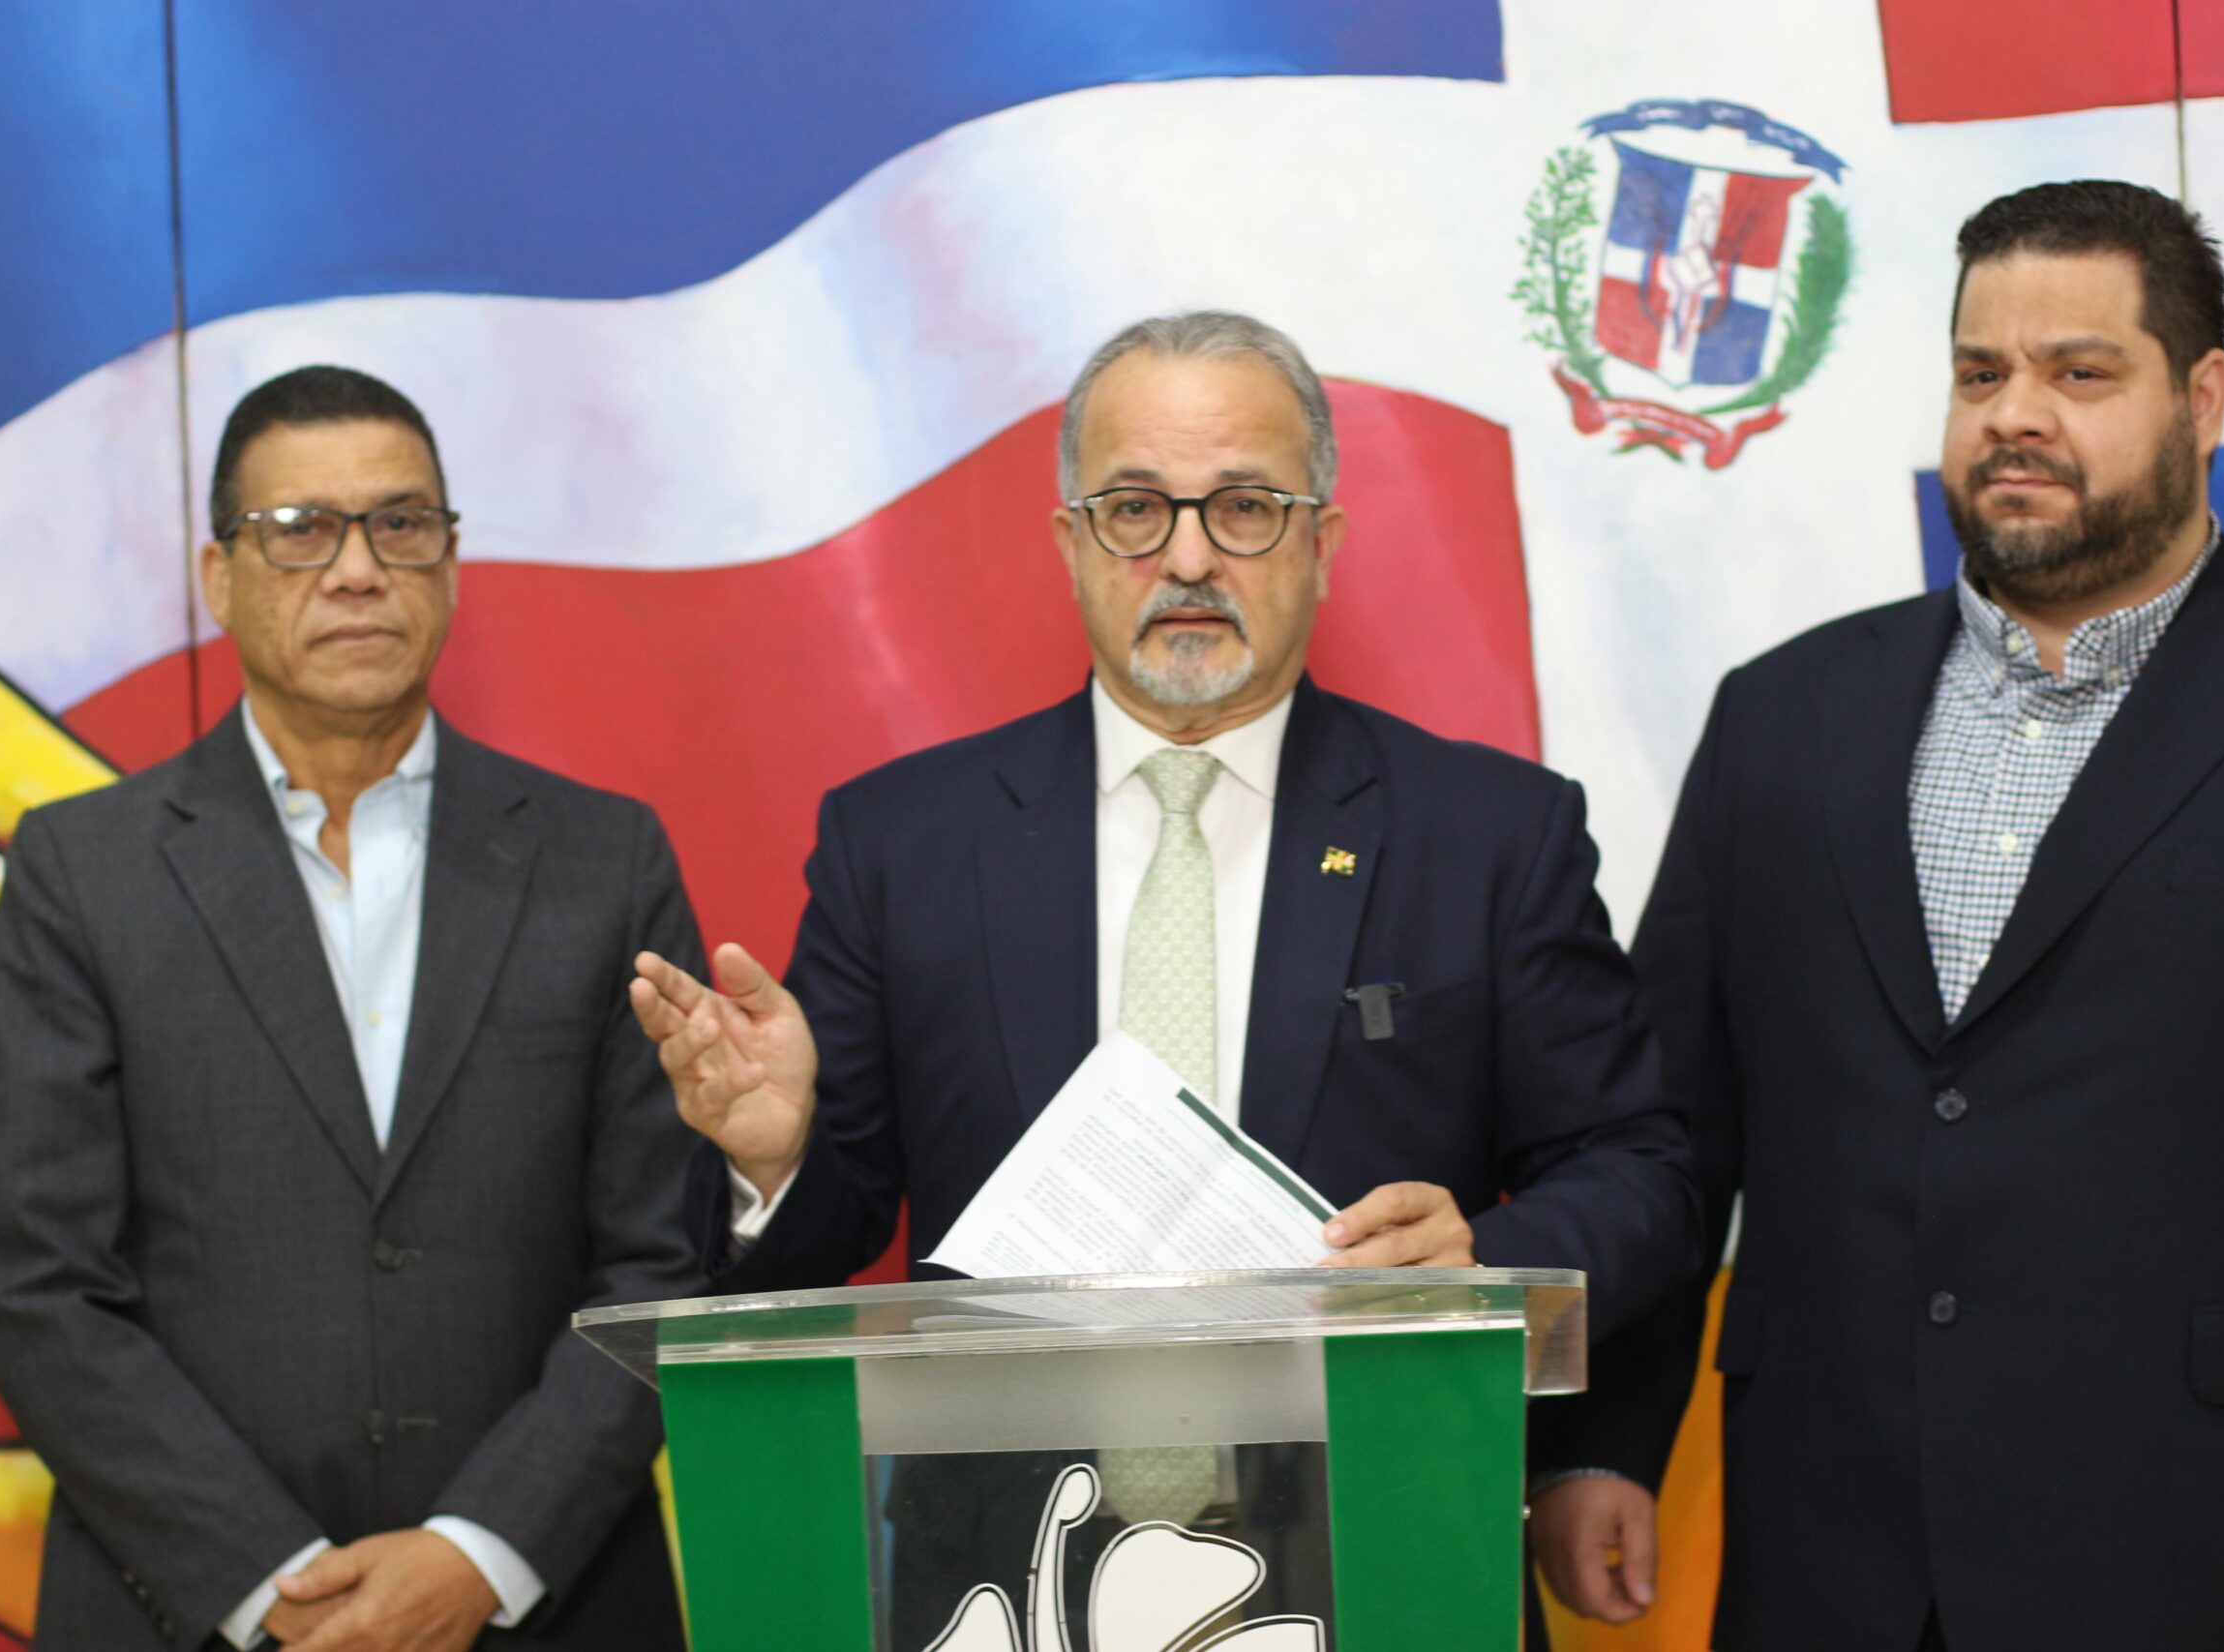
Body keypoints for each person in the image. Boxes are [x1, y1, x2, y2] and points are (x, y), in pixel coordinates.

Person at [629, 311, 1700, 1641]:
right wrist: (778, 1157)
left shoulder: (1488, 834)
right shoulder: (902, 843)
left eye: (1245, 507)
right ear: (1071, 541)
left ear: (1323, 542)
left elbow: (1641, 1170)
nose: (1188, 557)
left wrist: (1481, 1264)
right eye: (1136, 509)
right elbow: (831, 1224)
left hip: (1388, 1545)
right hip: (1004, 1583)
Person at [1533, 179, 2224, 1650]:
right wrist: (1601, 1442)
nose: (2015, 416)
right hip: (1835, 1559)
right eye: (1981, 373)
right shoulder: (1783, 716)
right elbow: (1674, 1131)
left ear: (2202, 400)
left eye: (2080, 373)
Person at [0, 367, 702, 1650]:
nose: (357, 571)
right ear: (219, 577)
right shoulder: (83, 873)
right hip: (190, 1608)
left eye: (400, 524)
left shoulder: (605, 861)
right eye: (300, 530)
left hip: (545, 1600)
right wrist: (276, 1589)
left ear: (451, 563)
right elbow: (41, 1285)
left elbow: (663, 1266)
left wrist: (478, 1557)